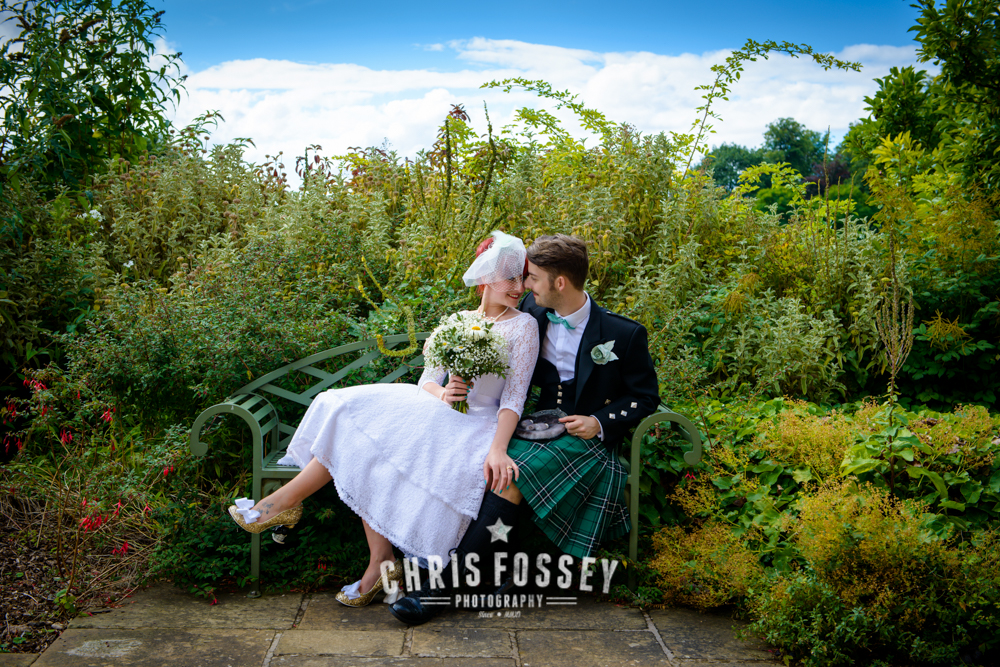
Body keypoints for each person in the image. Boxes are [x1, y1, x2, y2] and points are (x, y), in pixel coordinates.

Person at [228, 231, 539, 607]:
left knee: (380, 442)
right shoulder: (457, 321)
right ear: (486, 276)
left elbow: (514, 397)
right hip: (437, 410)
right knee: (344, 409)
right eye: (510, 277)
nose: (518, 287)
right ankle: (369, 555)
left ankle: (288, 510)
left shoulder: (523, 326)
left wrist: (499, 449)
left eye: (522, 278)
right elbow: (427, 380)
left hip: (476, 424)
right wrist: (444, 392)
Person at [390, 233, 660, 624]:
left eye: (532, 278)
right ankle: (491, 575)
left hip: (582, 439)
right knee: (481, 465)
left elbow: (644, 398)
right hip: (536, 429)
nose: (525, 286)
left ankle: (438, 590)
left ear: (560, 283)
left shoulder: (624, 334)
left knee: (507, 477)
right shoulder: (530, 315)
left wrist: (598, 421)